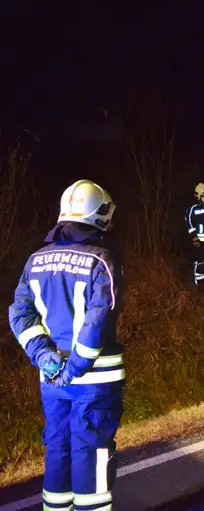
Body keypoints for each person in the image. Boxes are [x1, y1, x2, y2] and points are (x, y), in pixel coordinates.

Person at [8, 180, 124, 511]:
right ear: (97, 213)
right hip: (94, 381)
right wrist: (74, 368)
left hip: (52, 381)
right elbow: (97, 321)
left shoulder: (35, 261)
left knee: (58, 448)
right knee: (92, 452)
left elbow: (20, 314)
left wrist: (43, 355)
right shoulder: (101, 259)